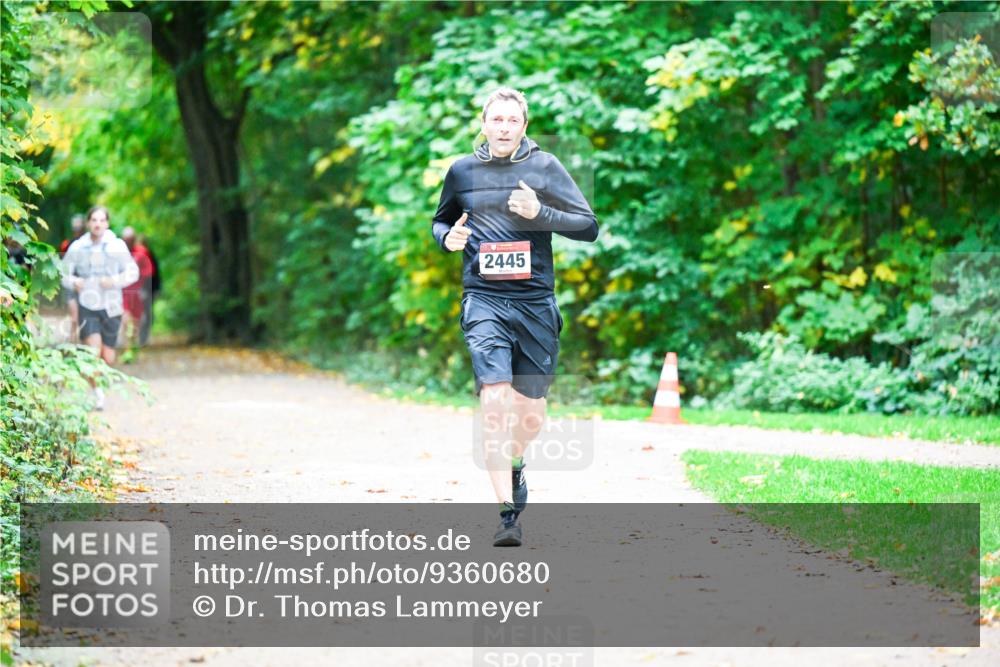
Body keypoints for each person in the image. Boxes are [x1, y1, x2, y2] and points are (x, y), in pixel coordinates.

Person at [431, 87, 599, 546]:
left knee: (530, 412)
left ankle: (517, 462)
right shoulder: (462, 171)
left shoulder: (545, 167)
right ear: (483, 124)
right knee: (493, 399)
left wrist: (540, 212)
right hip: (483, 299)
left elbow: (588, 226)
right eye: (496, 120)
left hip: (535, 302)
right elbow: (441, 220)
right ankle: (507, 515)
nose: (504, 128)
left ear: (524, 126)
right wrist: (445, 238)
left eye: (512, 121)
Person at [61, 206, 139, 410]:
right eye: (94, 220)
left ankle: (100, 383)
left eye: (101, 220)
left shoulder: (117, 245)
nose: (97, 224)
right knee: (92, 353)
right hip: (88, 304)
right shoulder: (78, 247)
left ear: (107, 223)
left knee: (108, 357)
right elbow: (62, 273)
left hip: (111, 306)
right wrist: (74, 281)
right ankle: (98, 395)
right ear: (88, 223)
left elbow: (133, 272)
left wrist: (114, 281)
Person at [120, 226, 154, 354]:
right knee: (125, 319)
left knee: (135, 321)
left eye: (130, 240)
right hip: (123, 292)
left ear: (134, 239)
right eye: (126, 240)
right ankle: (126, 348)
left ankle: (132, 345)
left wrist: (144, 290)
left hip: (138, 292)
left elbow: (149, 272)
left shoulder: (142, 252)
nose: (128, 243)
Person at [59, 214, 86, 342]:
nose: (77, 231)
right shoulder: (67, 245)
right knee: (74, 317)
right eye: (75, 228)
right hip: (71, 284)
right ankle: (72, 342)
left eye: (79, 228)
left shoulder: (89, 244)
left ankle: (82, 343)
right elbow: (62, 265)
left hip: (86, 285)